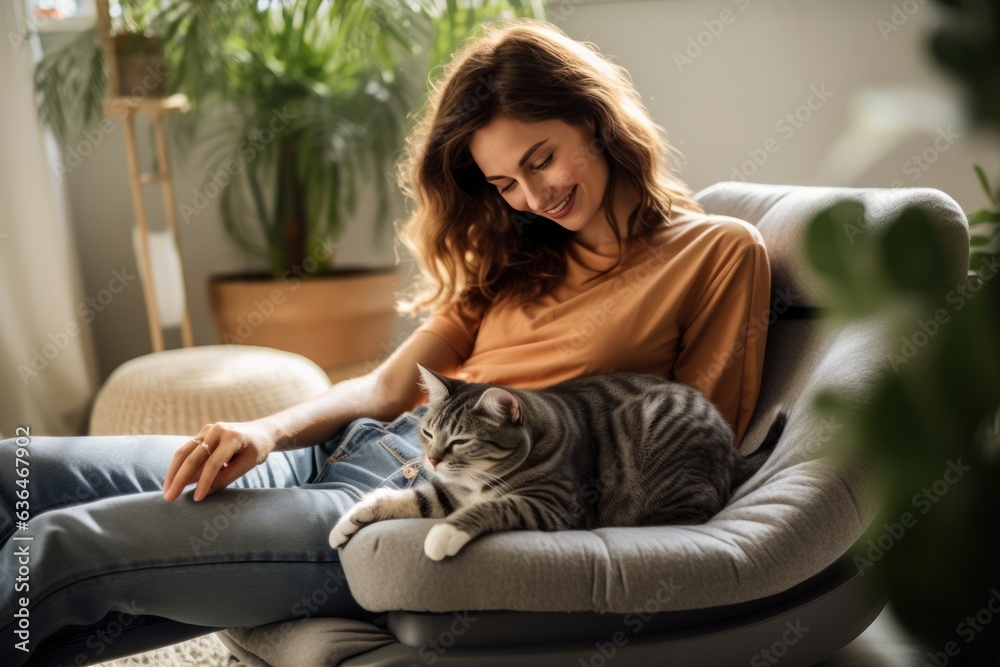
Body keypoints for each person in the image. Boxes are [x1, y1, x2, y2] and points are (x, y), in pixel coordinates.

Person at [0, 18, 772, 665]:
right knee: (13, 470)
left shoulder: (716, 252)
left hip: (407, 501)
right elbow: (382, 389)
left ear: (597, 122)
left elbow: (696, 447)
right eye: (505, 184)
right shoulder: (517, 253)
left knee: (58, 548)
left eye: (540, 159)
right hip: (347, 448)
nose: (533, 197)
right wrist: (263, 432)